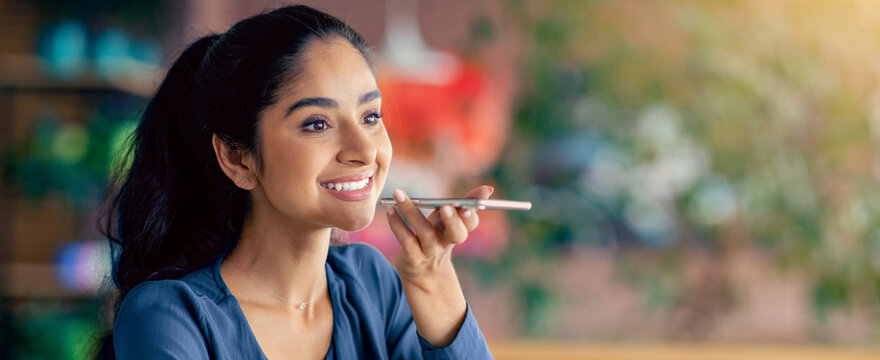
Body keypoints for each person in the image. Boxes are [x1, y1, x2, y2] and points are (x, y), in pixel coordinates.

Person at [93, 5, 495, 359]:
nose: (364, 150)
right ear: (237, 157)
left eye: (371, 116)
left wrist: (432, 277)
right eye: (317, 123)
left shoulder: (372, 285)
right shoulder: (170, 317)